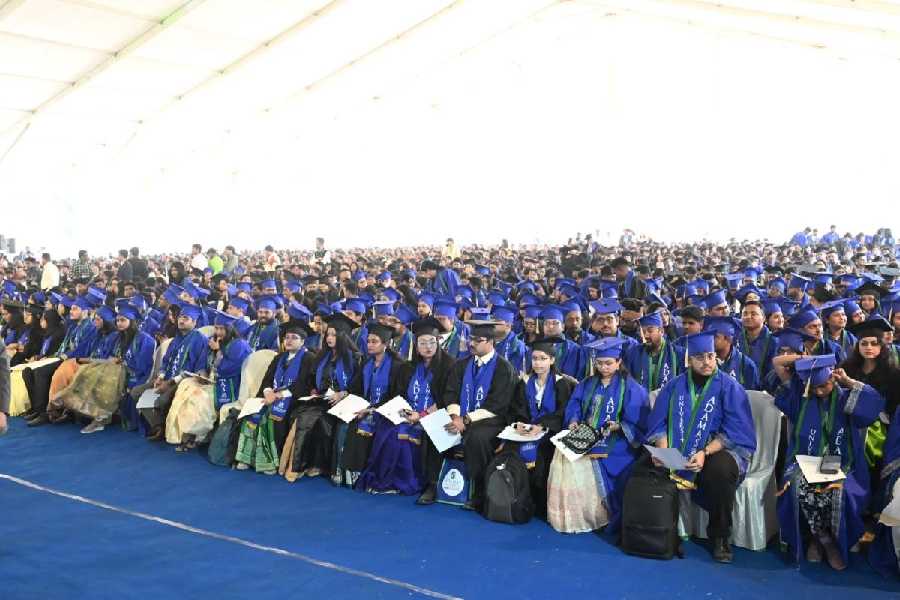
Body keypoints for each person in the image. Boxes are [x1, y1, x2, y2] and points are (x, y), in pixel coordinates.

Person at [645, 332, 757, 563]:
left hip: (717, 448)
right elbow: (658, 423)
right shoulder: (674, 386)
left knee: (720, 472)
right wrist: (663, 450)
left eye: (710, 356)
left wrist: (705, 452)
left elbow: (736, 429)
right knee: (643, 465)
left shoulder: (729, 387)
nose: (706, 362)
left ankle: (720, 535)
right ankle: (659, 529)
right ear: (689, 360)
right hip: (677, 448)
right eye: (699, 357)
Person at [772, 354, 884, 570]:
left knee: (838, 491)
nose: (819, 391)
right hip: (804, 460)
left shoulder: (847, 399)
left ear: (833, 378)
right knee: (798, 486)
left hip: (843, 463)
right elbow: (777, 362)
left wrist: (848, 381)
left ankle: (832, 542)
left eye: (823, 386)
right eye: (814, 387)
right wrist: (809, 361)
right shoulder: (800, 398)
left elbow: (874, 402)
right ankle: (821, 538)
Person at [547, 336, 647, 533]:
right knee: (563, 453)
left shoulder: (631, 387)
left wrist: (619, 426)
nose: (603, 368)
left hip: (615, 439)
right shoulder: (587, 383)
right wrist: (574, 420)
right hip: (586, 433)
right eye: (599, 363)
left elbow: (638, 421)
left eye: (608, 363)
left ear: (618, 362)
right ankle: (575, 517)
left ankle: (599, 516)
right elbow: (575, 405)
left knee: (593, 460)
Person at [358, 317, 453, 498]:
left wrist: (422, 414)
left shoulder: (449, 366)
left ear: (438, 342)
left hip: (435, 415)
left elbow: (447, 398)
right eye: (422, 343)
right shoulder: (409, 367)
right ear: (416, 345)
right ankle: (386, 480)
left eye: (432, 342)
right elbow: (399, 394)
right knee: (387, 428)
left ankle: (407, 482)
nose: (427, 347)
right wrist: (401, 410)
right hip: (409, 413)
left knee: (402, 435)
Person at [441, 320, 517, 511]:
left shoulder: (504, 368)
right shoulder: (462, 365)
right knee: (436, 428)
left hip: (492, 420)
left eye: (477, 340)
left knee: (477, 437)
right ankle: (433, 483)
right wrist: (455, 417)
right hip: (461, 417)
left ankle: (480, 492)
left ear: (490, 342)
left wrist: (466, 420)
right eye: (471, 339)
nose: (471, 343)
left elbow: (498, 404)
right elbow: (451, 392)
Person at [281, 312, 360, 482]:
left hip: (343, 403)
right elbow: (312, 378)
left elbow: (359, 386)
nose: (329, 338)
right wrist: (313, 390)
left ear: (343, 336)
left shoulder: (355, 359)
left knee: (316, 419)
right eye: (328, 334)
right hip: (323, 399)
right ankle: (305, 464)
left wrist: (343, 393)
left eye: (334, 335)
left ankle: (307, 465)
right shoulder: (323, 355)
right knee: (300, 413)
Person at [508, 336, 575, 520]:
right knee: (510, 450)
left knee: (542, 454)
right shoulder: (524, 381)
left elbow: (563, 412)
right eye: (535, 358)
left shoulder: (561, 383)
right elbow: (516, 408)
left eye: (543, 359)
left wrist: (543, 425)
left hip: (551, 433)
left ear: (552, 360)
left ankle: (540, 505)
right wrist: (519, 423)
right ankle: (518, 500)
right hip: (527, 432)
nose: (538, 363)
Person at [238, 321, 317, 473]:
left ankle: (270, 461)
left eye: (294, 338)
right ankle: (248, 458)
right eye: (287, 337)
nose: (289, 341)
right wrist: (268, 392)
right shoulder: (279, 357)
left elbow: (304, 384)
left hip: (293, 399)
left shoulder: (309, 358)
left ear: (302, 341)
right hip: (272, 396)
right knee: (252, 414)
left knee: (273, 418)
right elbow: (268, 378)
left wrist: (280, 394)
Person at [337, 322, 405, 488]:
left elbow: (397, 396)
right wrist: (345, 394)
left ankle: (357, 470)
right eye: (368, 341)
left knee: (360, 426)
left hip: (385, 410)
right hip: (365, 406)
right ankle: (341, 468)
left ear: (385, 344)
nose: (369, 345)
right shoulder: (367, 364)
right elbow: (356, 387)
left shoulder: (398, 366)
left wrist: (372, 409)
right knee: (342, 423)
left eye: (374, 341)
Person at [137, 303, 209, 441]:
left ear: (194, 322)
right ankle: (159, 426)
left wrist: (170, 382)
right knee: (136, 392)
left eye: (186, 318)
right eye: (180, 317)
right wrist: (161, 377)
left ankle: (162, 429)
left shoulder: (200, 340)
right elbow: (166, 360)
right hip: (167, 378)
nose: (181, 320)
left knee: (162, 400)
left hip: (183, 382)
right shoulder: (177, 338)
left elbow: (196, 369)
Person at [624, 311, 682, 392]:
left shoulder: (678, 354)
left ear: (661, 331)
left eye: (650, 331)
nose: (646, 335)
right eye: (643, 331)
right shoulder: (633, 353)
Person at [705, 316, 760, 390]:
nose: (709, 340)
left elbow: (752, 394)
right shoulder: (703, 362)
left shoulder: (746, 365)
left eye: (715, 337)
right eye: (709, 336)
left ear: (728, 339)